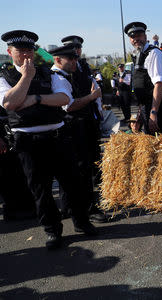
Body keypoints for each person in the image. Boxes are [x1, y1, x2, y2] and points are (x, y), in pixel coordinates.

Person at [0, 30, 98, 249]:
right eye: (20, 51)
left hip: (57, 136)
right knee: (41, 190)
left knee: (73, 183)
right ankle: (53, 230)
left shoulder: (49, 74)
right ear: (10, 52)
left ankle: (82, 222)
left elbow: (64, 98)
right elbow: (10, 103)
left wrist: (35, 98)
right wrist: (26, 77)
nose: (26, 55)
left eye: (29, 50)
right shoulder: (4, 77)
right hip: (28, 141)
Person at [55, 36, 108, 223]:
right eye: (72, 52)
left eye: (78, 50)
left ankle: (72, 206)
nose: (76, 55)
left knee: (86, 167)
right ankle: (84, 208)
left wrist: (97, 108)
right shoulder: (58, 75)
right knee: (79, 169)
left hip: (86, 123)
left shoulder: (81, 68)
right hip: (71, 126)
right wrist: (93, 97)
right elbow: (69, 105)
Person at [124, 21, 162, 135]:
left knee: (157, 144)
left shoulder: (153, 53)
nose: (136, 39)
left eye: (139, 35)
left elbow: (159, 84)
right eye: (132, 37)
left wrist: (153, 113)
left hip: (156, 106)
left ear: (145, 36)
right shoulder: (139, 55)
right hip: (146, 106)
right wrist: (141, 111)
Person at [0, 103, 36, 221]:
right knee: (8, 173)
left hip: (14, 126)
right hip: (3, 131)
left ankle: (26, 208)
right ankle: (12, 211)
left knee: (20, 171)